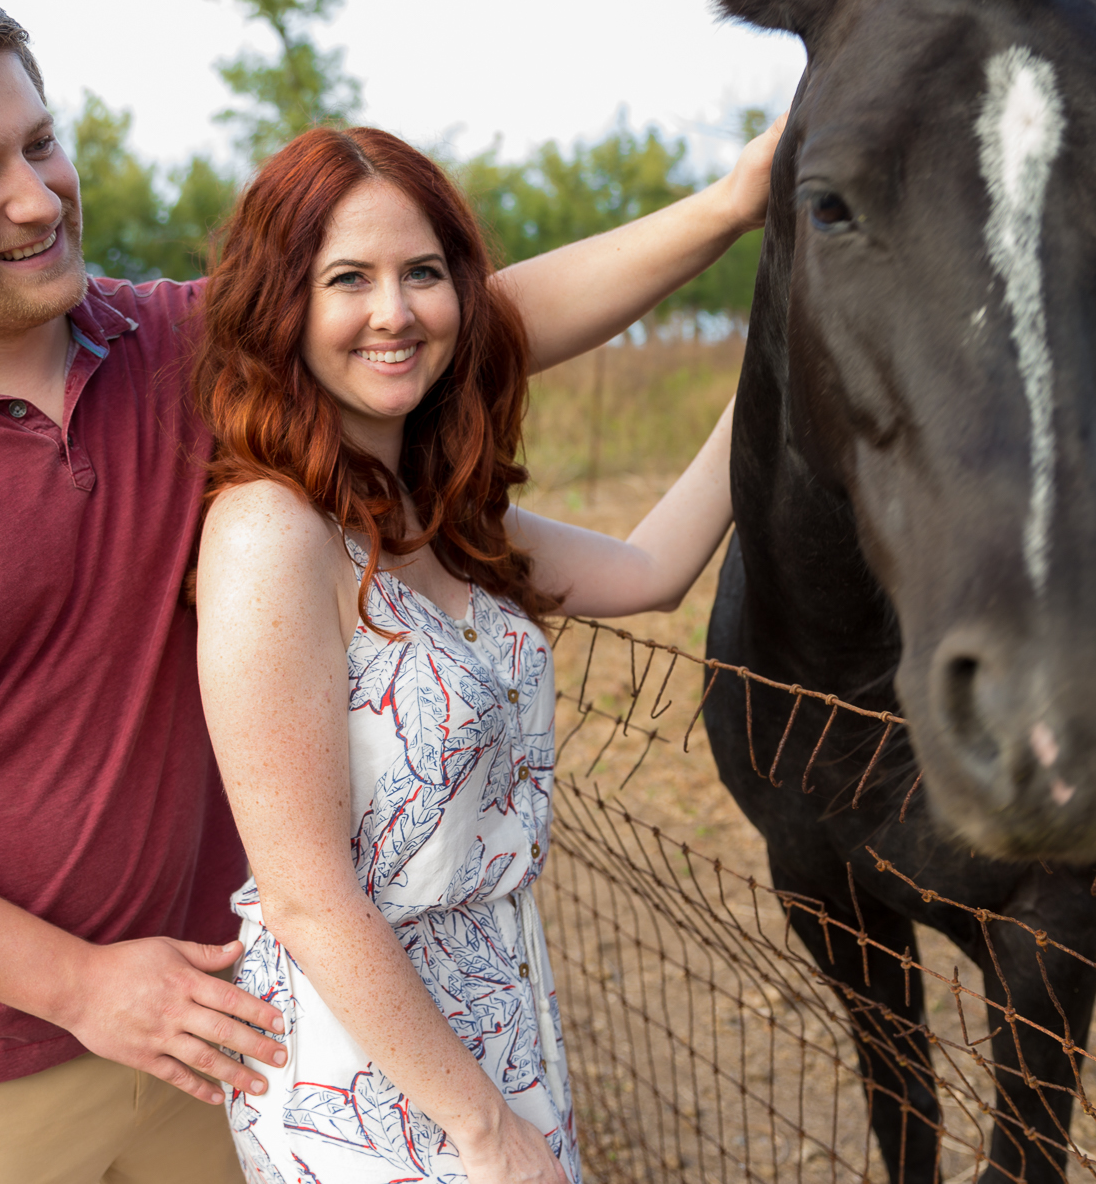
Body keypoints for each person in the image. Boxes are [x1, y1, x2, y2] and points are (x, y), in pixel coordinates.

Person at [0, 0, 778, 1184]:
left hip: (230, 1028)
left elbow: (470, 318)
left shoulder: (174, 352)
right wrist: (82, 982)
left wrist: (731, 207)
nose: (35, 196)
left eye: (39, 143)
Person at [193, 127, 740, 1184]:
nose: (394, 311)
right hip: (366, 1060)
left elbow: (649, 571)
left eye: (423, 273)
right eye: (346, 278)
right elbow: (306, 891)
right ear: (282, 308)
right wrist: (482, 1128)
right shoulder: (272, 531)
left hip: (495, 1009)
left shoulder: (430, 512)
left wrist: (774, 371)